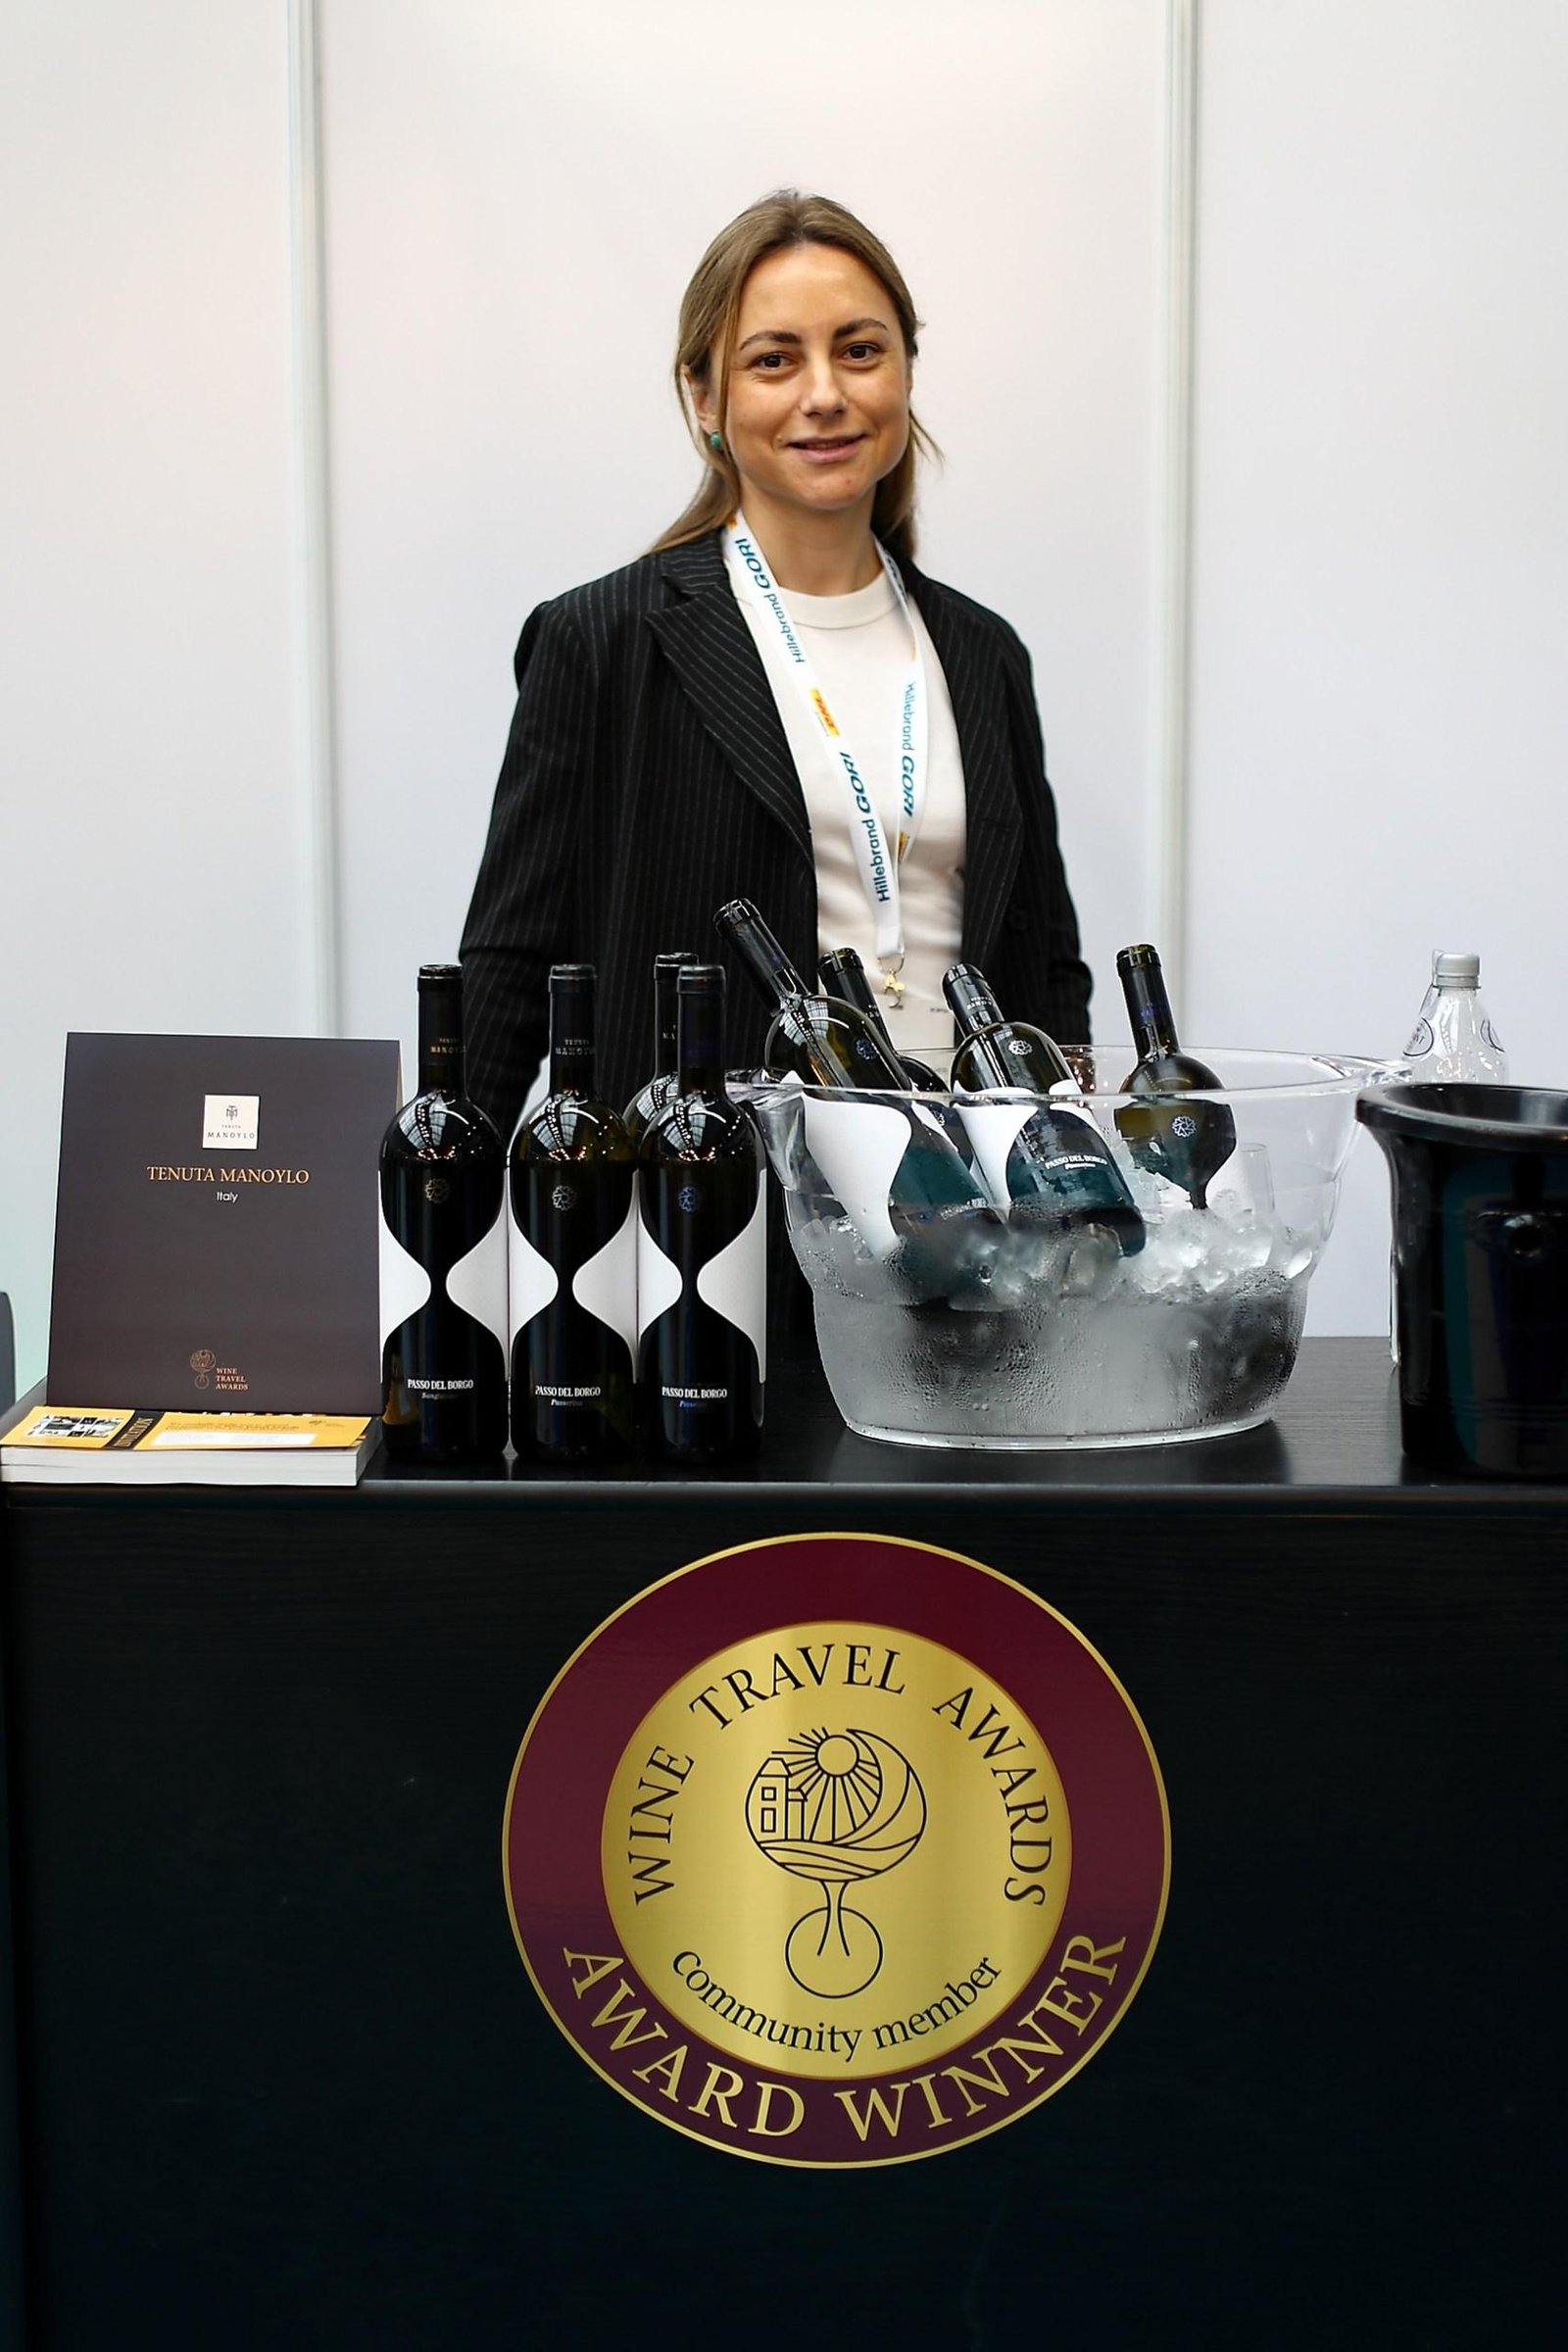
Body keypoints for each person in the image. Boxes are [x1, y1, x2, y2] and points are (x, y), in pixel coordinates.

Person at [461, 189, 1092, 1140]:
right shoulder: (603, 641)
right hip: (709, 1196)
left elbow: (1046, 973)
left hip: (965, 1191)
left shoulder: (981, 653)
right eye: (773, 360)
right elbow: (510, 970)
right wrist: (442, 1209)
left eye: (860, 350)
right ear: (704, 397)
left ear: (905, 371)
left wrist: (1072, 1176)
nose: (825, 393)